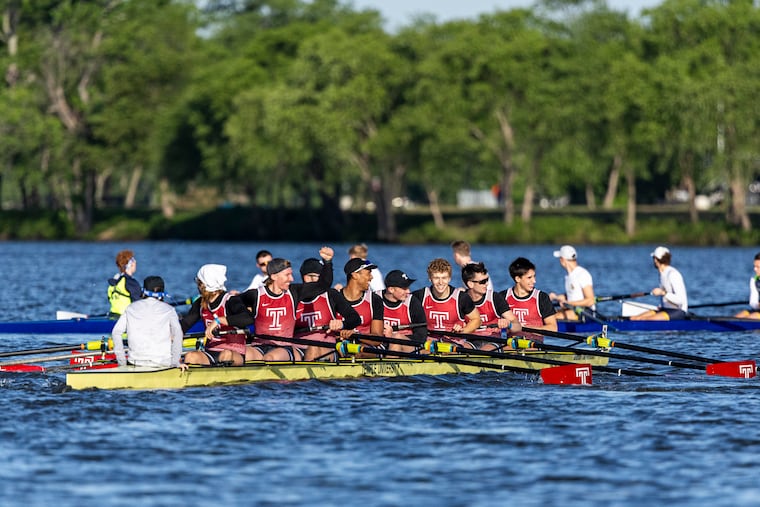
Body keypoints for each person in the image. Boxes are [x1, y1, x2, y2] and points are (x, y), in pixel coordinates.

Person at [231, 247, 336, 361]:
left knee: (269, 358)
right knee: (238, 356)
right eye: (287, 275)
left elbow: (323, 285)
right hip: (259, 346)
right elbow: (232, 302)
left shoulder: (294, 292)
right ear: (274, 276)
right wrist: (243, 317)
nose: (291, 278)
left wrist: (328, 262)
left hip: (284, 348)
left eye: (291, 274)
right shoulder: (255, 295)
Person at [182, 264, 250, 366]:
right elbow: (186, 323)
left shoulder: (231, 301)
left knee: (225, 355)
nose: (197, 286)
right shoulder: (200, 303)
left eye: (198, 282)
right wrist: (172, 334)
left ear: (204, 285)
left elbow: (248, 318)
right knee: (190, 356)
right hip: (211, 351)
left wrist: (218, 321)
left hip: (234, 352)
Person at [111, 275, 185, 369]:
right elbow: (178, 334)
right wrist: (175, 363)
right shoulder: (169, 310)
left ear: (143, 291)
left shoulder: (131, 308)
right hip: (163, 364)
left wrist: (122, 362)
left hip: (134, 362)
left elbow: (116, 332)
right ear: (162, 293)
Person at [296, 257, 360, 361]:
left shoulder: (331, 295)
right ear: (305, 277)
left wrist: (342, 324)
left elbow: (355, 318)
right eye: (321, 277)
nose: (325, 281)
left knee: (313, 348)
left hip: (327, 348)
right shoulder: (293, 296)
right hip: (297, 348)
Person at [412, 258, 481, 348]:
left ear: (449, 278)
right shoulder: (420, 296)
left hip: (453, 343)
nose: (440, 282)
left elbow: (477, 320)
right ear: (430, 278)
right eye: (436, 278)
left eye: (444, 278)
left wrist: (463, 331)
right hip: (428, 343)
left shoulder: (461, 298)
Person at [462, 262, 521, 350]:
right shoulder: (461, 300)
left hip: (494, 340)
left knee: (485, 350)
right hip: (472, 341)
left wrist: (509, 324)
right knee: (461, 348)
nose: (487, 284)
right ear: (470, 284)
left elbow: (518, 326)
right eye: (482, 282)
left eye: (487, 280)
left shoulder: (495, 298)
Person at [339, 258, 385, 353]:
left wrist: (356, 335)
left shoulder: (374, 300)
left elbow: (378, 339)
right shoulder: (334, 298)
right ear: (355, 275)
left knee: (357, 351)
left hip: (368, 346)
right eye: (368, 273)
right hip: (339, 344)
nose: (371, 277)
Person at [631, 246, 688, 321]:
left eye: (654, 258)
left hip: (678, 312)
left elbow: (681, 300)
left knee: (643, 319)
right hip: (665, 309)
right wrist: (661, 305)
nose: (653, 260)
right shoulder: (662, 274)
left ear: (657, 259)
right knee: (634, 318)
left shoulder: (673, 274)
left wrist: (663, 293)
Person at [503, 257, 558, 331]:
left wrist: (527, 329)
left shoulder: (542, 298)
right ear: (518, 279)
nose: (534, 281)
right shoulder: (503, 297)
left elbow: (553, 328)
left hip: (534, 341)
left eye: (534, 276)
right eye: (529, 278)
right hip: (511, 342)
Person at [380, 269, 427, 354]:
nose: (408, 291)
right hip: (381, 344)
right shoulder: (375, 299)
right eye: (404, 288)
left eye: (408, 288)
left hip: (410, 346)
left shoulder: (412, 302)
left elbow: (421, 336)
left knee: (397, 338)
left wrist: (392, 336)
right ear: (391, 289)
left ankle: (390, 366)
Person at [548, 245, 597, 321]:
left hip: (585, 312)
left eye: (560, 258)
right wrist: (555, 297)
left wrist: (569, 303)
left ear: (563, 260)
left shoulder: (582, 274)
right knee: (547, 314)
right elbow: (573, 295)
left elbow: (590, 300)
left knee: (551, 319)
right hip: (573, 309)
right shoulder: (569, 276)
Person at [107, 249, 142, 317]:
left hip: (113, 315)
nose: (135, 263)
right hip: (126, 317)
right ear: (130, 264)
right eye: (134, 261)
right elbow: (139, 303)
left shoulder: (113, 282)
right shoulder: (131, 283)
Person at [735, 252, 760, 319]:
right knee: (740, 315)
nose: (754, 269)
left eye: (758, 267)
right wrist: (757, 305)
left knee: (752, 317)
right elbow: (753, 302)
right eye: (754, 266)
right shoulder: (754, 281)